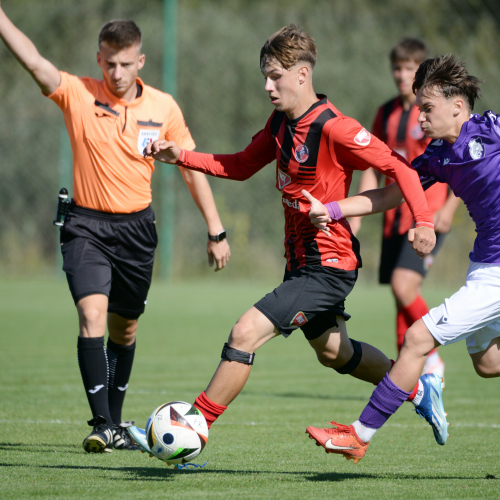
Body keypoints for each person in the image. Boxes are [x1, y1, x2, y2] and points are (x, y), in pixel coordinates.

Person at [143, 25, 445, 454]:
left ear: (302, 75)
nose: (267, 86)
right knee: (334, 353)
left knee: (245, 332)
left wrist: (425, 221)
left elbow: (403, 171)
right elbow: (242, 165)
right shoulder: (281, 123)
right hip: (301, 262)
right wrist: (182, 156)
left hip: (330, 264)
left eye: (275, 76)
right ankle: (416, 388)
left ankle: (190, 431)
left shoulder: (335, 128)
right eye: (265, 76)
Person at [0, 4, 231, 453]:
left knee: (124, 331)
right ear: (98, 58)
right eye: (109, 62)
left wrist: (216, 229)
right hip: (85, 226)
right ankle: (102, 424)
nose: (117, 72)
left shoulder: (163, 106)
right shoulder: (78, 94)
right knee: (91, 316)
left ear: (140, 61)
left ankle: (117, 423)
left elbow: (190, 168)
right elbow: (33, 61)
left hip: (137, 232)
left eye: (126, 63)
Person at [304, 54, 499, 463]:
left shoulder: (492, 129)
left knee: (416, 339)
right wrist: (336, 209)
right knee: (486, 361)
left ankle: (358, 435)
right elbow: (392, 193)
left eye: (427, 109)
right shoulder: (437, 156)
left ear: (458, 107)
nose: (420, 118)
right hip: (484, 264)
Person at [349, 39, 460, 378]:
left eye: (410, 68)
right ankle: (409, 378)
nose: (402, 75)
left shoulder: (431, 113)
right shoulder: (386, 114)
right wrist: (356, 216)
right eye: (398, 68)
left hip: (428, 213)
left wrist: (449, 208)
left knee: (403, 285)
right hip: (395, 217)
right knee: (400, 295)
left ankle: (432, 358)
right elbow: (369, 164)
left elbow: (458, 157)